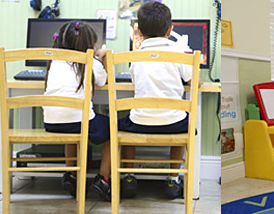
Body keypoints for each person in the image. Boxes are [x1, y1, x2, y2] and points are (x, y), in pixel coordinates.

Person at [118, 1, 196, 199]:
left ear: (140, 31)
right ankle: (172, 179)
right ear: (170, 30)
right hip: (173, 124)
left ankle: (128, 176)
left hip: (140, 123)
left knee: (124, 124)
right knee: (183, 121)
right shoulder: (181, 53)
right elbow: (196, 82)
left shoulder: (134, 56)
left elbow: (136, 83)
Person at [43, 21, 111, 201]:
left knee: (71, 128)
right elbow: (103, 81)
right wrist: (103, 57)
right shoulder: (91, 61)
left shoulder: (54, 61)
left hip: (52, 123)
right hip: (79, 122)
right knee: (114, 129)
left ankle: (71, 175)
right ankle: (103, 180)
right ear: (89, 44)